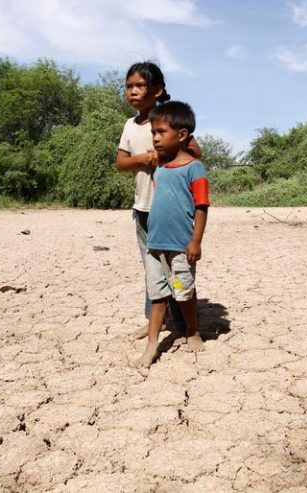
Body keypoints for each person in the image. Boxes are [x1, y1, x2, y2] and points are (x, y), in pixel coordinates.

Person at [115, 62, 201, 339]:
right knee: (151, 266)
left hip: (171, 210)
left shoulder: (167, 121)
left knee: (178, 266)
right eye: (129, 86)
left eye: (140, 85)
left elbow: (195, 153)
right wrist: (142, 158)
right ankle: (156, 320)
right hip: (143, 207)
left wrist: (164, 156)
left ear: (158, 90)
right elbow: (121, 163)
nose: (133, 91)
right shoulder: (130, 125)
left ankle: (188, 325)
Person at [132, 101, 208, 368]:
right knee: (158, 296)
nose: (155, 137)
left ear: (182, 134)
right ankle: (152, 345)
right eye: (153, 132)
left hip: (180, 246)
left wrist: (195, 241)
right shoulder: (160, 168)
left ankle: (192, 331)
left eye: (162, 132)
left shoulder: (194, 168)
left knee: (184, 293)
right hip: (154, 244)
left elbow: (201, 207)